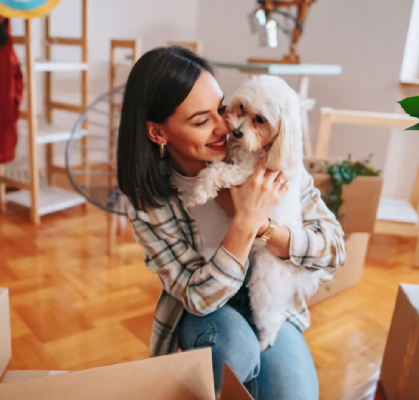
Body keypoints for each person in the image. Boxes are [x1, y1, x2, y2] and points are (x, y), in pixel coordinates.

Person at [116, 46, 345, 400]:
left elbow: (333, 249)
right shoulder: (150, 201)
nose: (227, 127)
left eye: (221, 108)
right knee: (233, 349)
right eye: (200, 121)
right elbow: (197, 297)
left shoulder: (272, 167)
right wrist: (244, 222)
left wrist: (267, 229)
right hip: (206, 311)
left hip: (269, 304)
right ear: (158, 134)